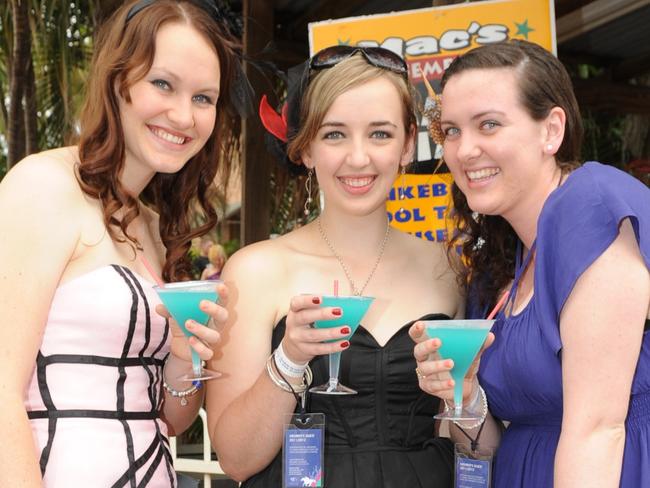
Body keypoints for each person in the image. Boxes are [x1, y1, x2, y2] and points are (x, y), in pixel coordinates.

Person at [0, 0, 242, 485]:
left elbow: (168, 419)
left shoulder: (155, 227)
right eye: (163, 84)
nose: (183, 115)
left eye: (203, 98)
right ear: (117, 79)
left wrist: (182, 352)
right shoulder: (42, 186)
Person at [205, 46, 464, 487]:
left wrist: (468, 400)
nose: (358, 158)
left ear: (406, 145)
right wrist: (288, 360)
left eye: (380, 134)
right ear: (304, 149)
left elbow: (462, 436)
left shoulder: (449, 269)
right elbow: (236, 459)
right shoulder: (255, 270)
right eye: (334, 134)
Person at [410, 39, 650, 487]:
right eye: (452, 131)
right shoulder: (496, 269)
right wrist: (464, 397)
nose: (463, 151)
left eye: (488, 125)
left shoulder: (592, 206)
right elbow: (487, 446)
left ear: (551, 130)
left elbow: (598, 431)